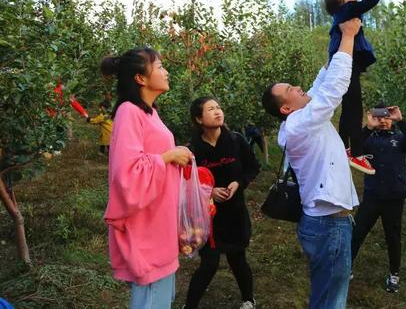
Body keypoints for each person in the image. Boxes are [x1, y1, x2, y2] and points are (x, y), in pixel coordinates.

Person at [261, 17, 362, 309]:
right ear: (285, 107)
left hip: (328, 222)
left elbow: (323, 83)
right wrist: (349, 37)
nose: (298, 87)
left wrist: (337, 40)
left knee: (327, 296)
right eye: (292, 88)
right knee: (330, 301)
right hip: (329, 225)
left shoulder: (302, 118)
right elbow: (333, 90)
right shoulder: (299, 124)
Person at [101, 47, 193, 308]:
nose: (166, 71)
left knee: (161, 298)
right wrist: (168, 157)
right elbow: (127, 175)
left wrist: (177, 155)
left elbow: (153, 155)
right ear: (140, 78)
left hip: (159, 222)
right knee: (152, 299)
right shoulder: (129, 111)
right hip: (146, 227)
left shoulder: (149, 113)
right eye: (160, 66)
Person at [185, 96, 260, 309]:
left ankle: (248, 300)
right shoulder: (193, 150)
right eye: (210, 109)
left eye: (218, 107)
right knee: (209, 264)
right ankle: (189, 305)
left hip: (235, 213)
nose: (218, 111)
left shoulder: (236, 141)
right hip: (208, 216)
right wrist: (209, 192)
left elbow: (252, 167)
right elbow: (186, 181)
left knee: (238, 259)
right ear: (199, 119)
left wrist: (239, 182)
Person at [324, 0, 390, 175]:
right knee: (354, 109)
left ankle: (344, 147)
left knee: (349, 109)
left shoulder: (340, 15)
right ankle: (356, 153)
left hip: (343, 64)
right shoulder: (349, 9)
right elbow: (369, 1)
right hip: (347, 64)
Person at [350, 104, 406, 293]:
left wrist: (401, 120)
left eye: (387, 117)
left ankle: (394, 273)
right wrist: (368, 127)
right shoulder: (369, 140)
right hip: (372, 195)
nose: (383, 120)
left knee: (393, 237)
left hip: (394, 197)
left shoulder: (399, 140)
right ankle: (346, 267)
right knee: (357, 232)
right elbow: (353, 148)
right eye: (379, 117)